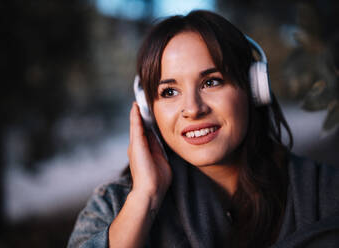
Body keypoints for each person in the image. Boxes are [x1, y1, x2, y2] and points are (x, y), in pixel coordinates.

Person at [68, 10, 339, 248]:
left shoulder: (325, 189)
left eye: (211, 82)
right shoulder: (112, 207)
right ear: (149, 110)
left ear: (255, 88)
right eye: (170, 91)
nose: (193, 109)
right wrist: (146, 198)